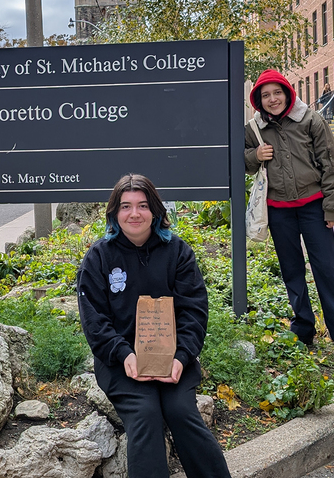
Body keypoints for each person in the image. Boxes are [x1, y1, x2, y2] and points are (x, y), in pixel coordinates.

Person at [77, 174, 231, 478]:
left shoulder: (178, 252)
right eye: (126, 206)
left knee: (182, 412)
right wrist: (124, 354)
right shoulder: (99, 258)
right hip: (120, 362)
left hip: (173, 358)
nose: (134, 214)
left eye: (143, 205)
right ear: (114, 213)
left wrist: (181, 356)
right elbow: (94, 321)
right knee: (145, 414)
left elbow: (194, 312)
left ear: (156, 211)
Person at [244, 69, 334, 361]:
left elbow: (331, 165)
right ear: (258, 100)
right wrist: (254, 156)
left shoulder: (311, 120)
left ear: (287, 93)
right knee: (292, 272)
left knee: (327, 270)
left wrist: (332, 208)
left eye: (277, 92)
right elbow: (241, 161)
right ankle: (303, 328)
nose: (272, 99)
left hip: (313, 207)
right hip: (279, 211)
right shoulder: (254, 128)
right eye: (266, 95)